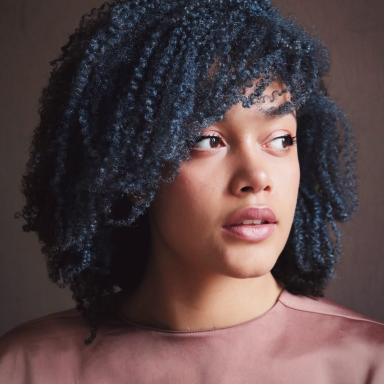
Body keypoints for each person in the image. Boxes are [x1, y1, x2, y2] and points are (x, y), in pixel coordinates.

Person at [1, 0, 383, 382]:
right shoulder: (26, 367)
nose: (256, 176)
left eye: (282, 139)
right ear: (130, 167)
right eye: (207, 141)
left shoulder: (369, 365)